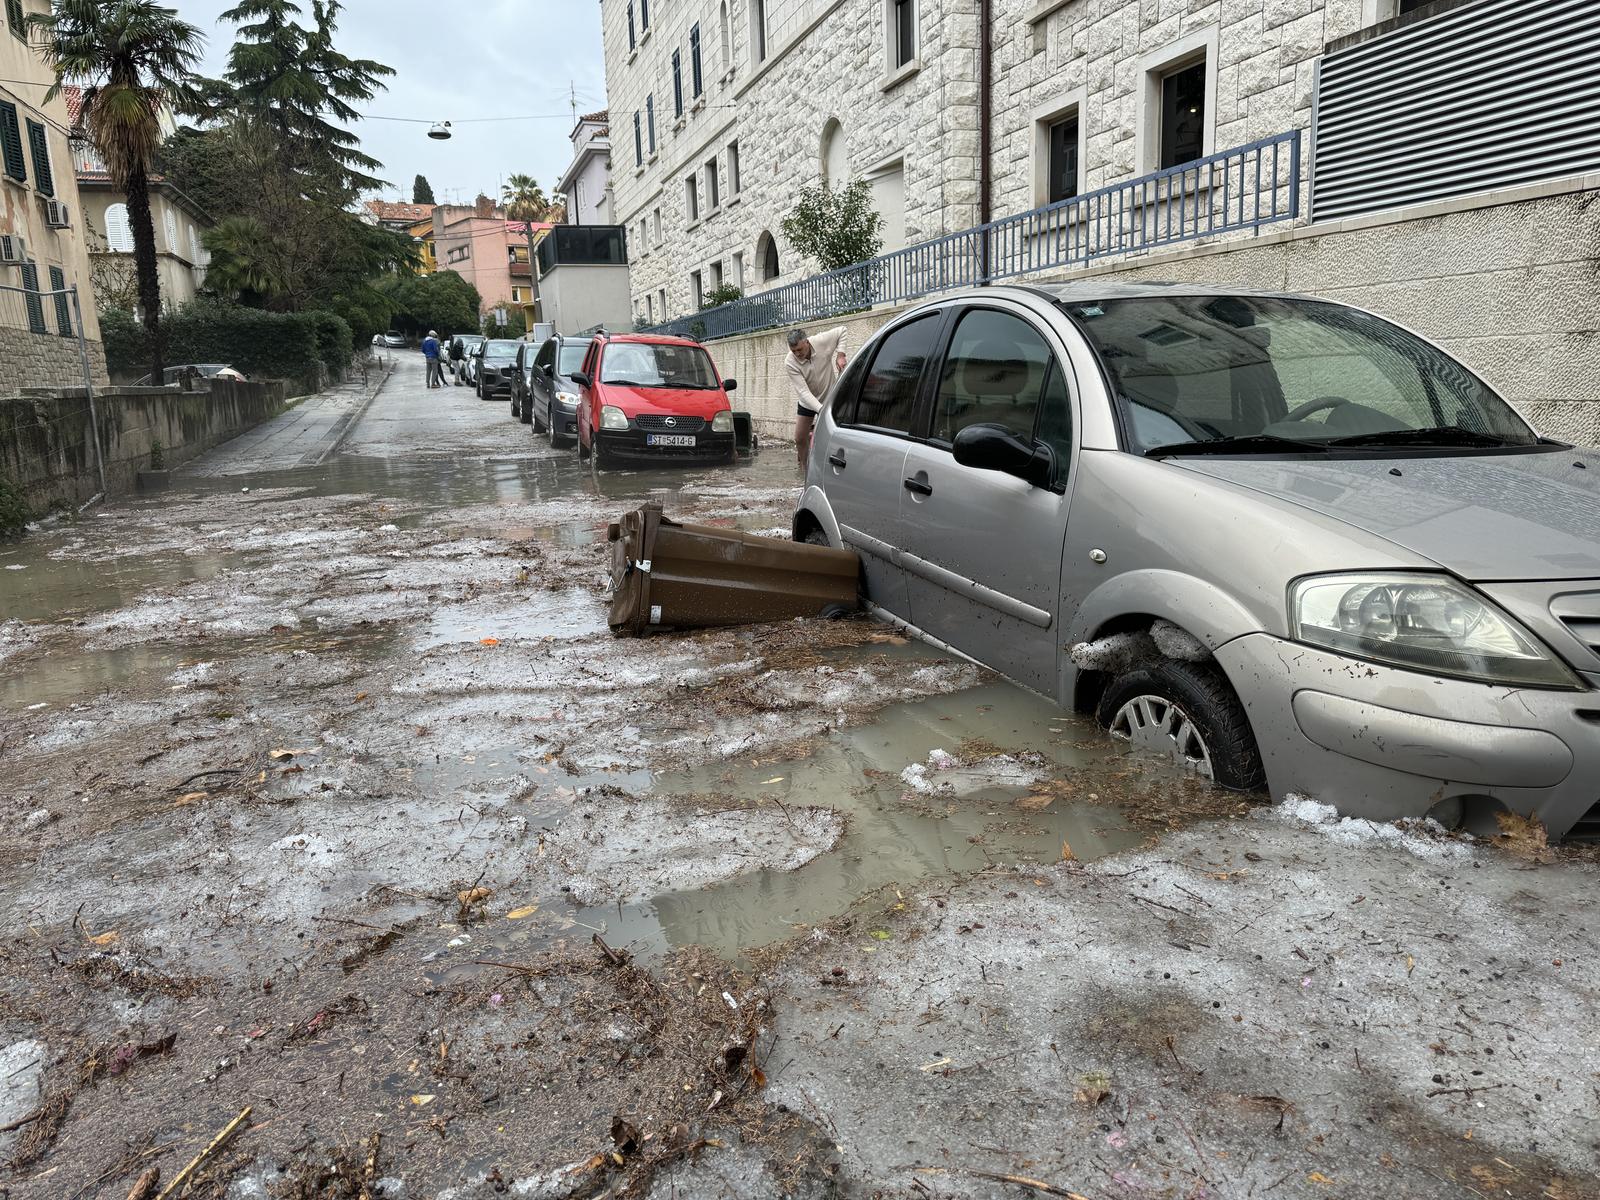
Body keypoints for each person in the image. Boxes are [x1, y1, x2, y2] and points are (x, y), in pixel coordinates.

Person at [785, 326, 849, 467]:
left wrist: (840, 354)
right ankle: (805, 468)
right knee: (799, 438)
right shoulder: (790, 362)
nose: (797, 354)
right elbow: (803, 392)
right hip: (807, 402)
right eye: (793, 351)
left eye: (800, 349)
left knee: (830, 435)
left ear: (807, 342)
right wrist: (822, 410)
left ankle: (826, 465)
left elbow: (842, 330)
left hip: (829, 397)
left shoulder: (821, 341)